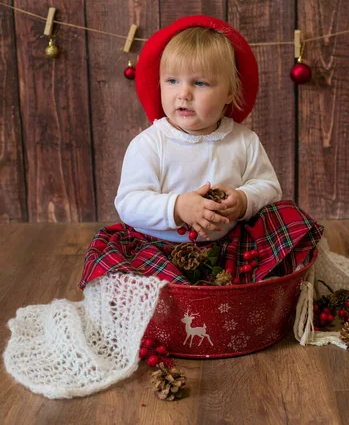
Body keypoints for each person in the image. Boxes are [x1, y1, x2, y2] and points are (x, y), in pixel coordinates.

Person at [79, 15, 323, 290]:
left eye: (200, 83)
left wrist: (243, 200)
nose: (183, 94)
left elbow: (268, 187)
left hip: (228, 246)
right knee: (134, 281)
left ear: (230, 91)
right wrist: (178, 207)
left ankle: (243, 299)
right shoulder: (150, 144)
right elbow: (128, 203)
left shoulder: (243, 140)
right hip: (158, 248)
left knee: (289, 216)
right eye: (172, 81)